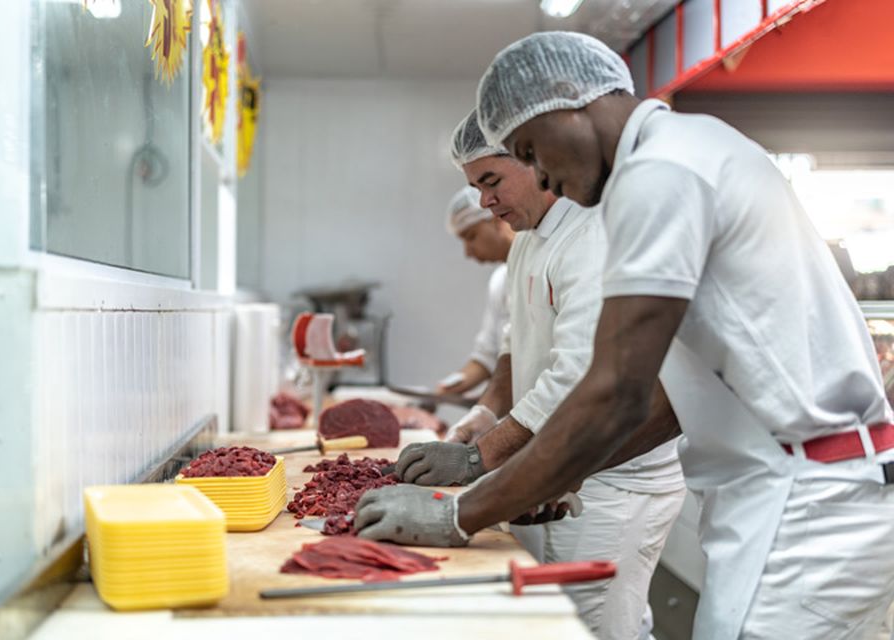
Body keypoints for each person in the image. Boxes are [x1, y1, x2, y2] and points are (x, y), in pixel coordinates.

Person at [355, 32, 894, 640]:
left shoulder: (662, 170)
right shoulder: (684, 153)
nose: (541, 176)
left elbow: (616, 391)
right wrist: (555, 474)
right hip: (789, 492)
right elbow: (671, 399)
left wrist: (460, 513)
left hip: (812, 502)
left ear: (568, 101)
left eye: (530, 150)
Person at [396, 109, 686, 639]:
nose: (484, 202)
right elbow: (514, 347)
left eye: (491, 181)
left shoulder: (592, 237)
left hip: (612, 481)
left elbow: (576, 374)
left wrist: (480, 457)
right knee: (549, 622)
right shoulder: (527, 241)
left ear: (534, 159)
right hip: (556, 466)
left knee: (594, 626)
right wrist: (486, 414)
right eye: (475, 186)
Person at [436, 187, 514, 412]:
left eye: (471, 237)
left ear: (498, 219)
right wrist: (443, 391)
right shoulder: (500, 281)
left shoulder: (542, 270)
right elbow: (486, 357)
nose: (468, 252)